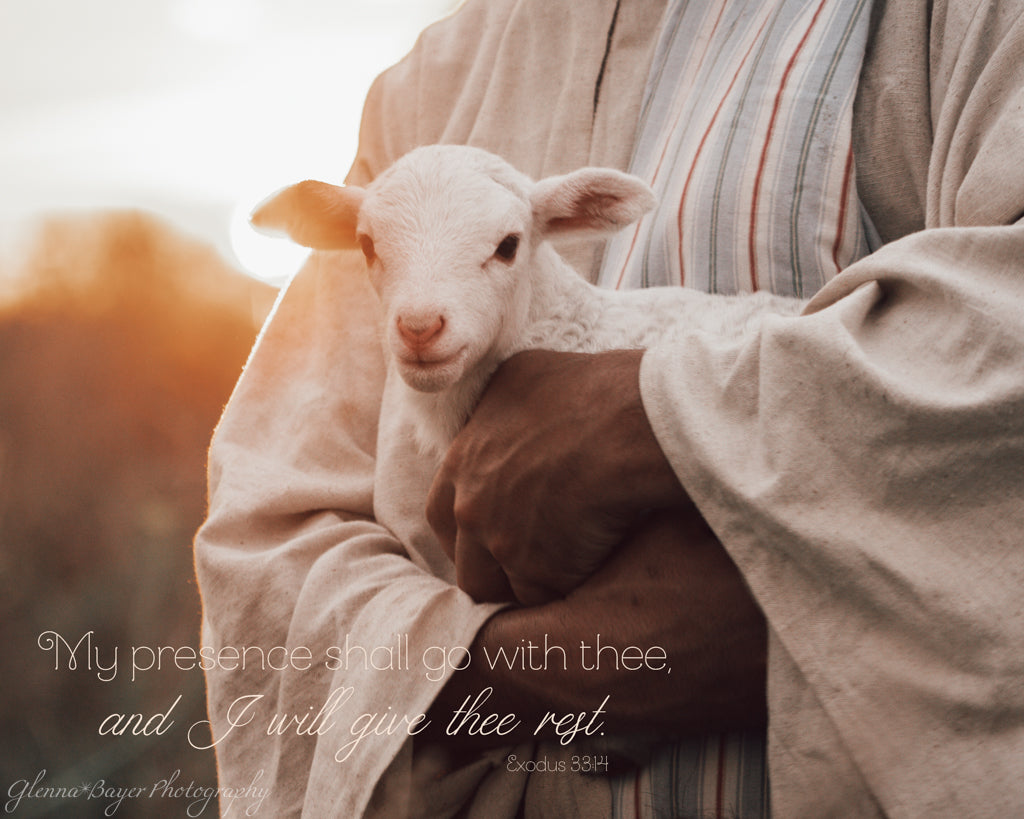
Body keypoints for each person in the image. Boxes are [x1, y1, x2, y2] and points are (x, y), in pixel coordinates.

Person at [194, 0, 1024, 816]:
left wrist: (651, 412)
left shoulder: (961, 20)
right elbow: (269, 534)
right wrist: (537, 668)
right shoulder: (423, 87)